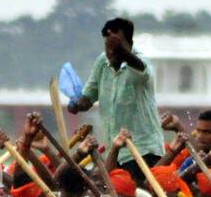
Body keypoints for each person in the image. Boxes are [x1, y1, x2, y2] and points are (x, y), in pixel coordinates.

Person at [66, 17, 162, 183]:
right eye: (108, 46)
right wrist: (76, 105)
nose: (112, 52)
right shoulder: (102, 61)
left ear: (129, 44)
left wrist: (123, 53)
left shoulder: (140, 63)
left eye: (116, 46)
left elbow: (142, 69)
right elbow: (87, 98)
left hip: (142, 151)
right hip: (115, 150)